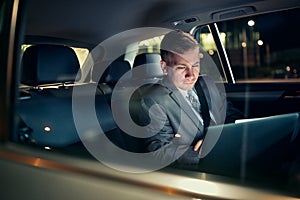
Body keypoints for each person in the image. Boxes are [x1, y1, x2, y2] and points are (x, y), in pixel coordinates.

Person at [130, 29, 243, 169]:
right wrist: (206, 152)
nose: (191, 74)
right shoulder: (152, 100)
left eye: (195, 65)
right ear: (164, 68)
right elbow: (159, 152)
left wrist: (225, 139)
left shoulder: (206, 83)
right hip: (202, 168)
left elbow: (232, 115)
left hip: (235, 150)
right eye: (182, 67)